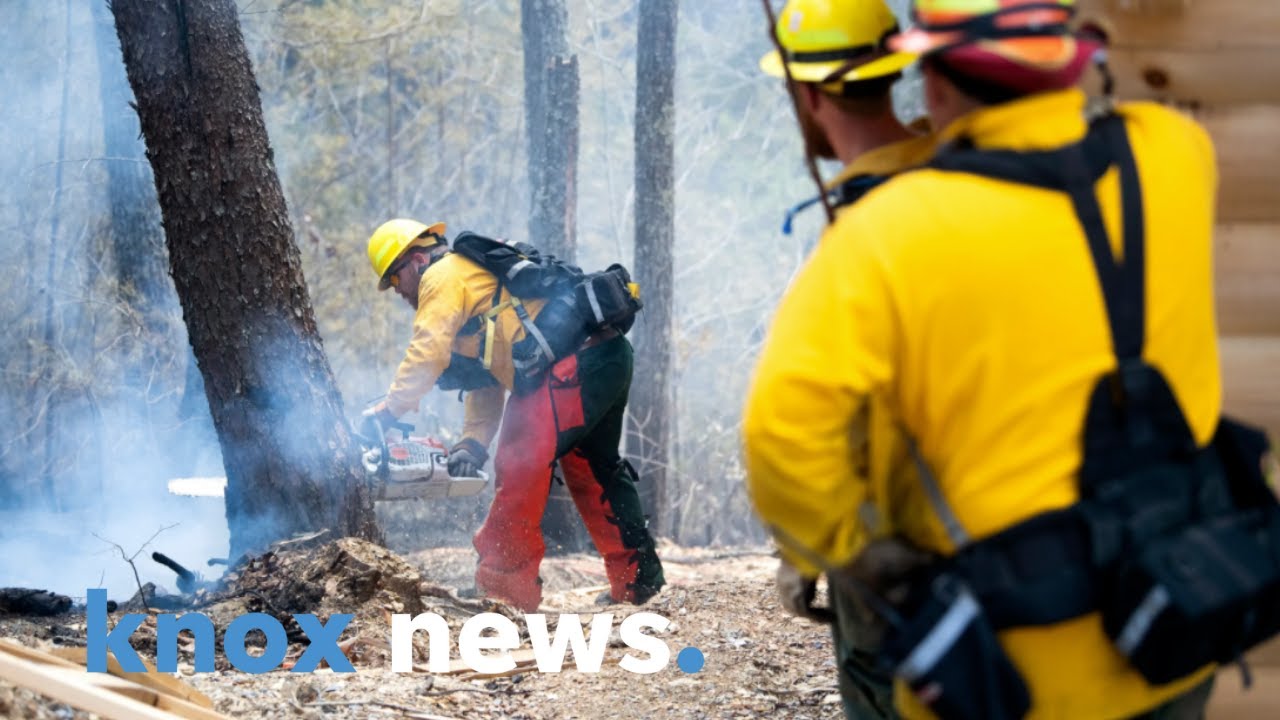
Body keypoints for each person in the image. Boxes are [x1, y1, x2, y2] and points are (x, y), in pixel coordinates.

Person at [744, 0, 1225, 717]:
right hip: (1175, 632)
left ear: (933, 85)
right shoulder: (1176, 152)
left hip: (1007, 670)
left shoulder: (887, 234)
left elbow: (779, 436)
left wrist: (863, 559)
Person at [758, 0, 934, 716]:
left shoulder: (859, 228)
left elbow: (809, 422)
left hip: (894, 534)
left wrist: (808, 548)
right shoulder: (960, 176)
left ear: (806, 95)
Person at [363, 219, 664, 612]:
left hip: (575, 367)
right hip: (606, 356)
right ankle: (639, 584)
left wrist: (389, 411)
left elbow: (427, 351)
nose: (399, 292)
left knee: (519, 462)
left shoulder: (440, 277)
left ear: (417, 260)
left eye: (395, 279)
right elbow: (485, 379)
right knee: (594, 471)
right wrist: (472, 443)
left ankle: (504, 595)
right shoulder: (468, 279)